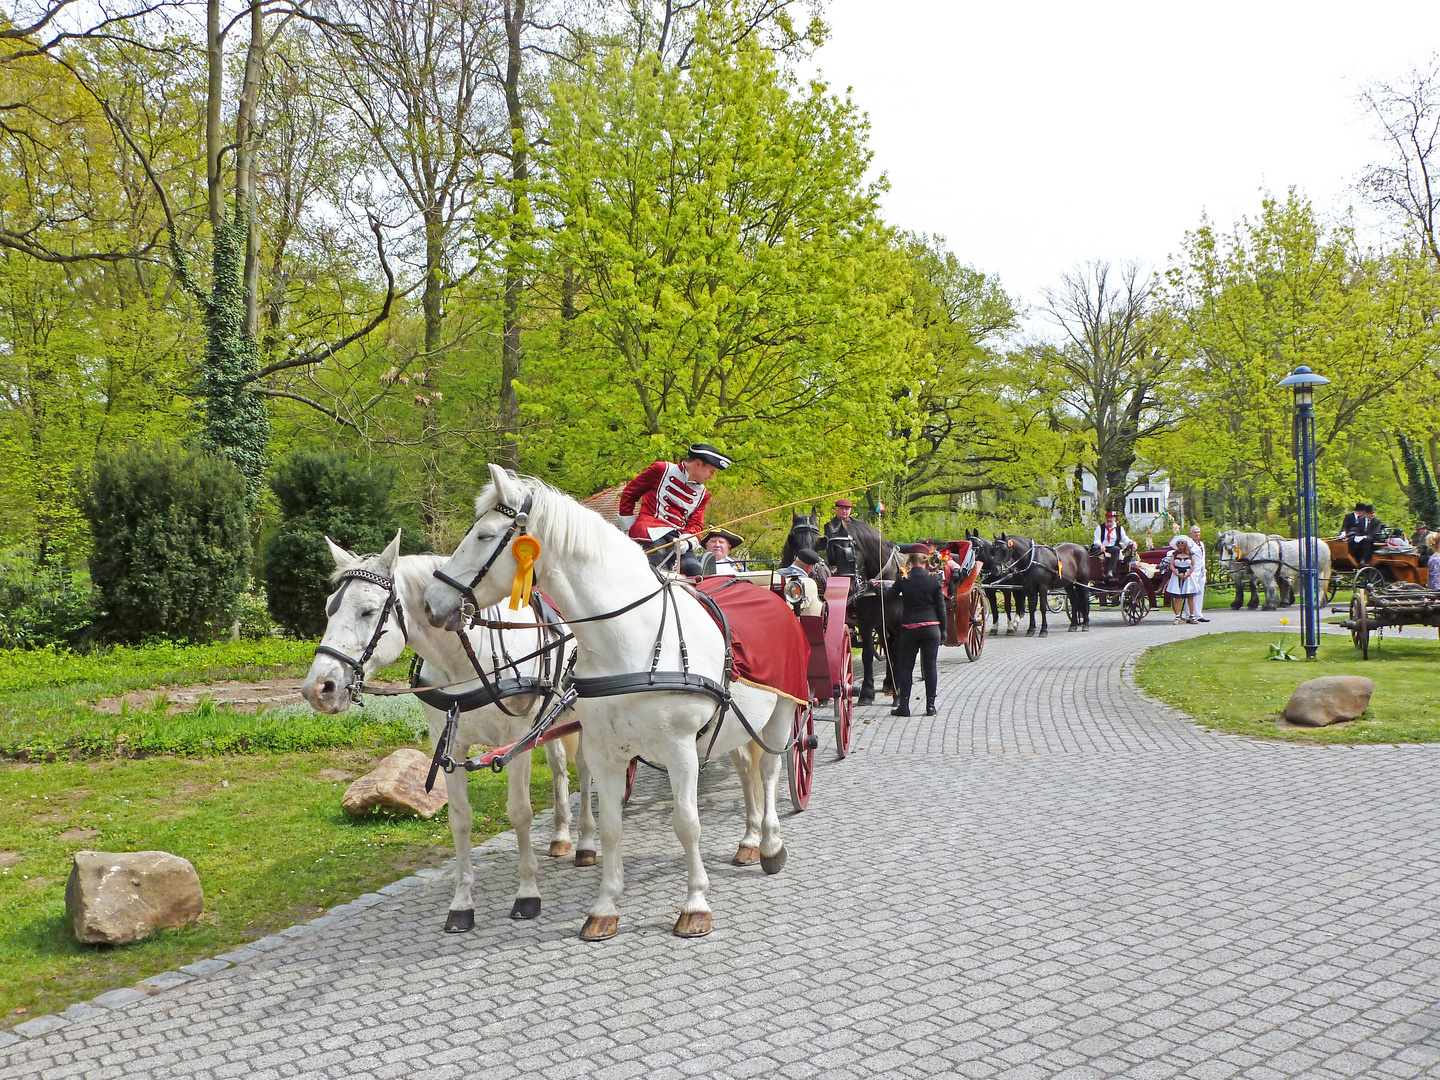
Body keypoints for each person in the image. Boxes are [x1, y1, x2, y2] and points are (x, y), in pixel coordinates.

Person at [618, 443, 730, 568]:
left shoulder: (703, 494)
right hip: (650, 533)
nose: (712, 477)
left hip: (678, 540)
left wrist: (687, 540)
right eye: (711, 471)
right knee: (658, 569)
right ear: (698, 463)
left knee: (694, 571)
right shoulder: (661, 470)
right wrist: (628, 527)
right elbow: (629, 493)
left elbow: (696, 524)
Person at [871, 547, 947, 717]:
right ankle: (931, 706)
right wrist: (943, 631)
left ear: (911, 562)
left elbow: (888, 597)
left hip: (910, 629)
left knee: (906, 668)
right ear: (925, 563)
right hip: (931, 628)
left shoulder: (903, 579)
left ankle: (904, 706)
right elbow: (941, 607)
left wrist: (875, 587)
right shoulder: (934, 580)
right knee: (931, 667)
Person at [823, 498, 860, 580]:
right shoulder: (829, 526)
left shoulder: (857, 524)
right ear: (836, 510)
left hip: (857, 558)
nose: (844, 511)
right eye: (841, 509)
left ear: (850, 510)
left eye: (847, 509)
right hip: (837, 559)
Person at [1168, 537, 1200, 624]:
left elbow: (1193, 565)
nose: (1180, 545)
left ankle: (1192, 616)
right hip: (1177, 575)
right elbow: (1171, 565)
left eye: (1182, 543)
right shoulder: (1174, 554)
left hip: (1188, 576)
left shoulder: (1191, 554)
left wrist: (1188, 574)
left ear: (1185, 544)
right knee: (1177, 597)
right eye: (1178, 543)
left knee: (1190, 597)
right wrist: (1176, 573)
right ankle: (1177, 616)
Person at [1092, 509, 1130, 579]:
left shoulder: (1119, 528)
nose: (1109, 519)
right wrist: (1101, 545)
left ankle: (1111, 571)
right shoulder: (1100, 527)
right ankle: (1097, 571)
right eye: (1107, 517)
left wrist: (1131, 542)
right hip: (1101, 547)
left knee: (1116, 549)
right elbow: (1096, 540)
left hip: (1112, 547)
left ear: (1115, 518)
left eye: (1111, 517)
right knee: (1094, 548)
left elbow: (1125, 539)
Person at [1182, 526, 1209, 622]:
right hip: (1192, 571)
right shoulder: (1189, 544)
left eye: (1198, 532)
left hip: (1201, 571)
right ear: (1191, 533)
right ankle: (1189, 614)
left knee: (1200, 592)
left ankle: (1198, 614)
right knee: (1191, 593)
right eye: (1195, 532)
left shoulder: (1201, 543)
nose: (1197, 534)